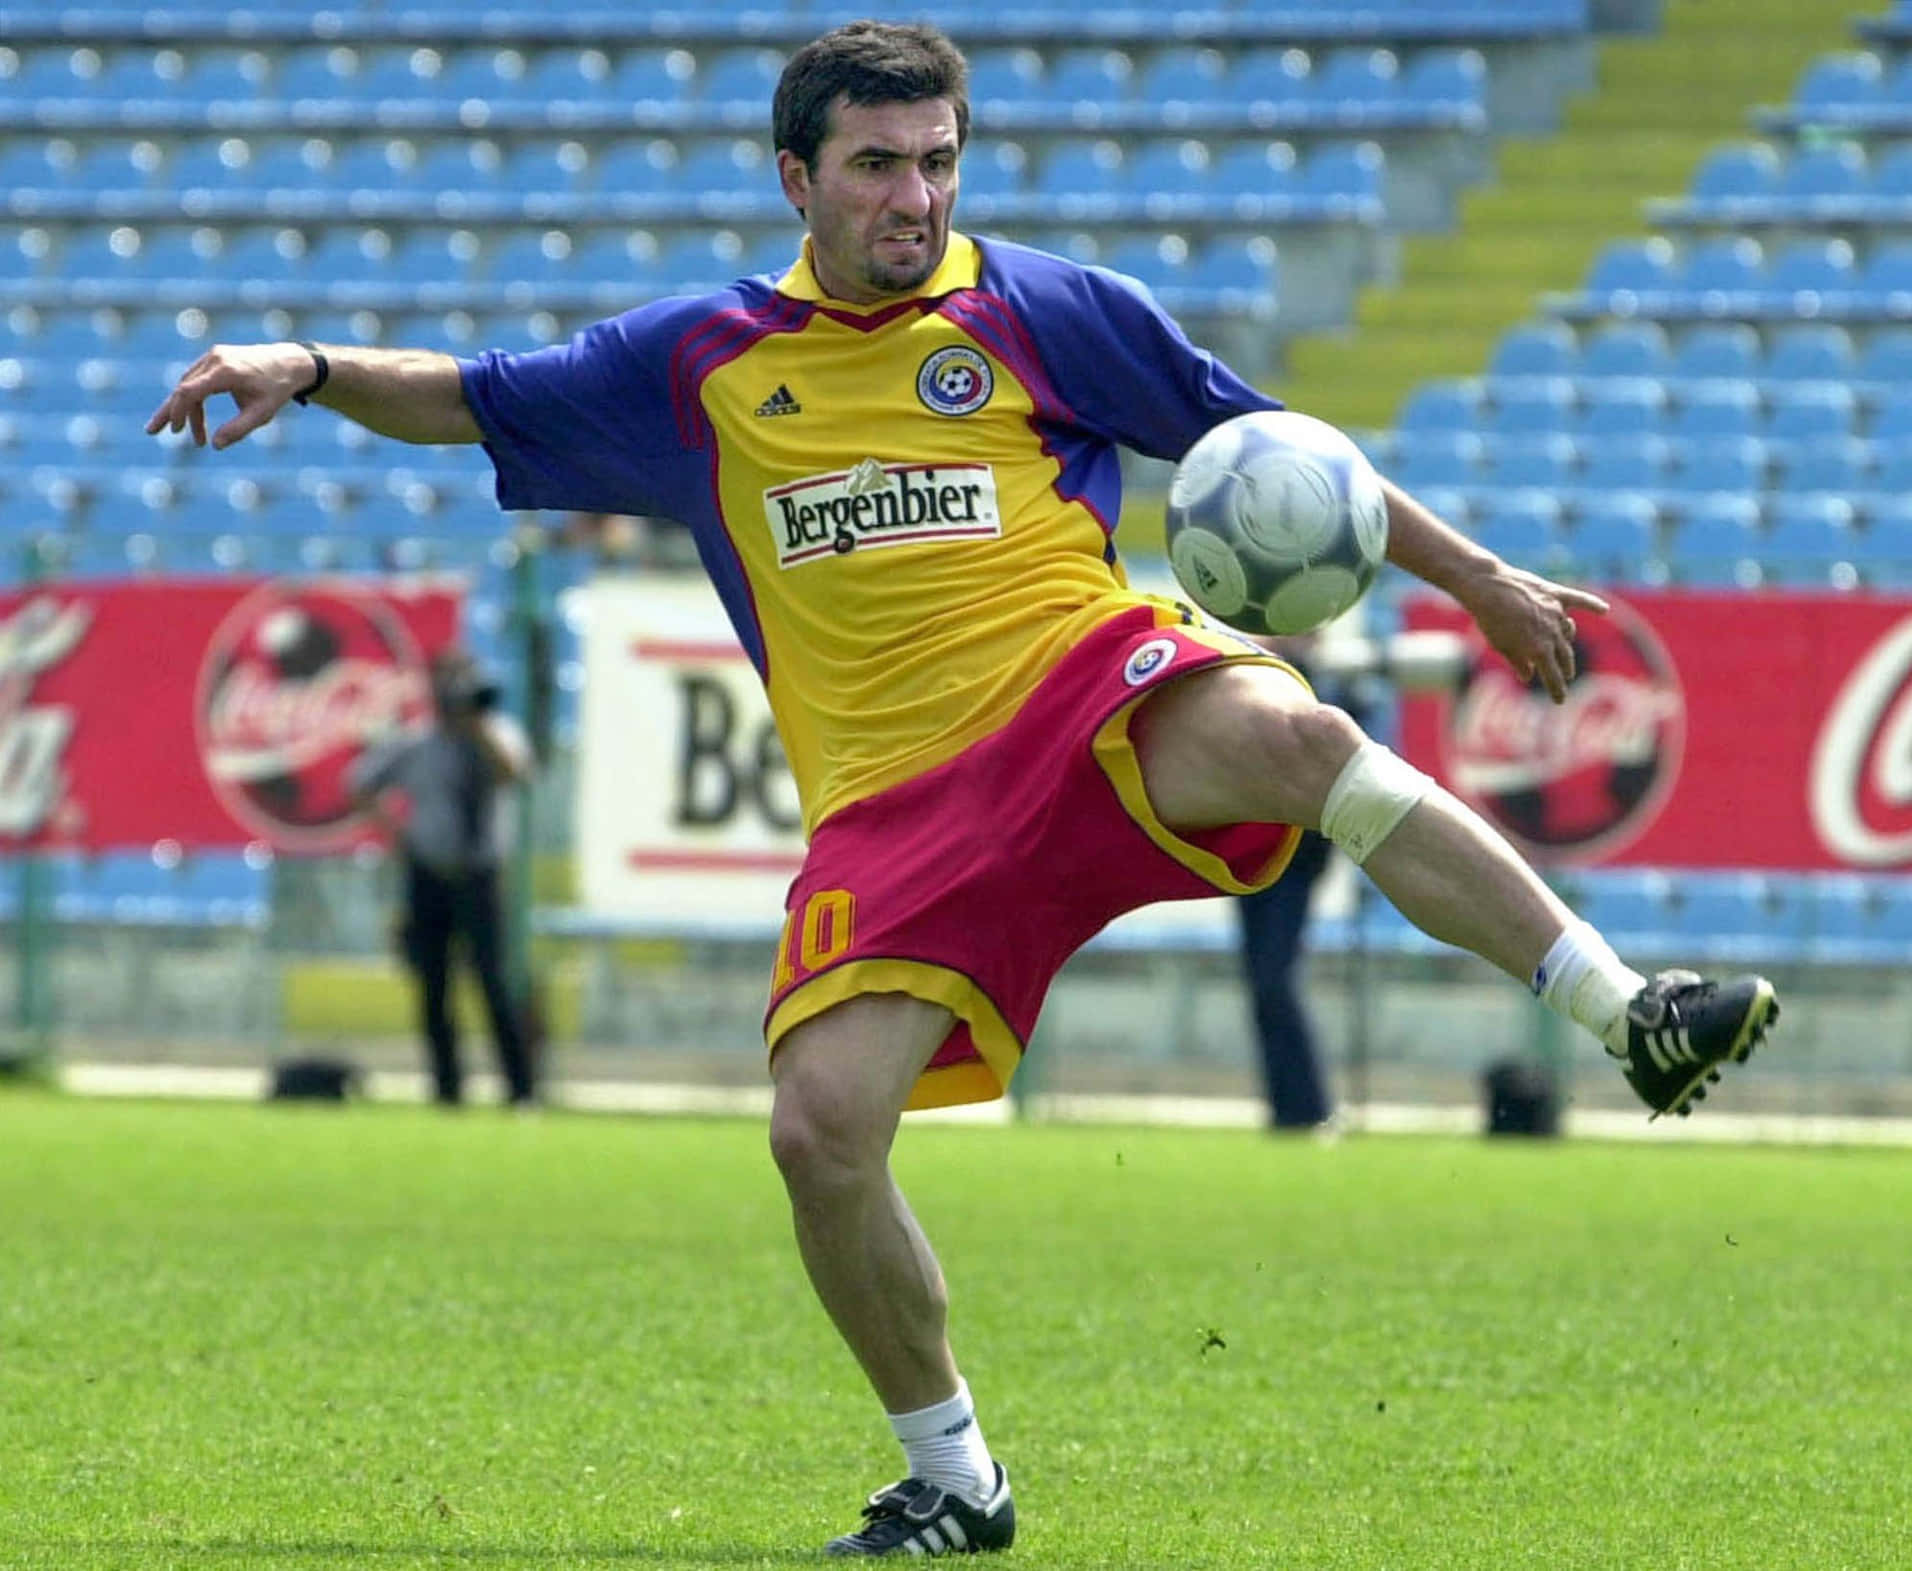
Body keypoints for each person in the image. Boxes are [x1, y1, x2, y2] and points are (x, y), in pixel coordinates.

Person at [148, 20, 1780, 1556]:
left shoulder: (1049, 309)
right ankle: (957, 1480)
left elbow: (1279, 443)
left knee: (1295, 743)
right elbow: (475, 397)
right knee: (819, 1132)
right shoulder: (700, 364)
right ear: (797, 178)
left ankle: (1625, 1007)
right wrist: (303, 358)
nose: (913, 197)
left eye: (937, 160)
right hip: (895, 802)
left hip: (1086, 686)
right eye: (875, 165)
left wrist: (1480, 578)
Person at [349, 646, 539, 1109]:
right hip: (430, 873)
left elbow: (515, 775)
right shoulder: (416, 744)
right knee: (434, 988)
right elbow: (358, 783)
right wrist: (399, 833)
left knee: (494, 984)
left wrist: (476, 728)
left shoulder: (497, 735)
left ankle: (520, 1091)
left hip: (481, 876)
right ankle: (447, 1089)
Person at [1234, 636, 1371, 1133]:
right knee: (1263, 981)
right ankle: (1289, 1108)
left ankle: (1306, 1108)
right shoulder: (1259, 671)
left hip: (1291, 858)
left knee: (1272, 979)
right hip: (1255, 853)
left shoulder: (1320, 683)